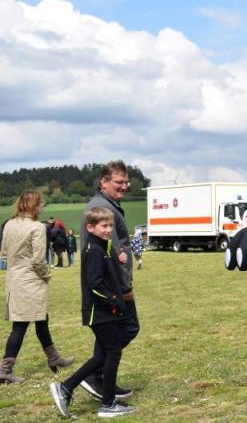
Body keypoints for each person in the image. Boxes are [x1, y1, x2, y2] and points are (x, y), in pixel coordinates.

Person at [50, 206, 135, 418]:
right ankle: (107, 405)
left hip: (106, 312)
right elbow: (95, 284)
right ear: (90, 227)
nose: (108, 230)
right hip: (101, 313)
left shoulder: (102, 246)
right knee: (112, 353)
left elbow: (107, 273)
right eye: (104, 226)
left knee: (101, 355)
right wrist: (114, 302)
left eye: (110, 226)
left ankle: (66, 387)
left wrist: (118, 259)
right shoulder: (94, 250)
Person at [77, 161, 138, 401]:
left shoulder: (106, 204)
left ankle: (101, 378)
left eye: (126, 182)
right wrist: (124, 289)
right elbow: (111, 253)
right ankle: (94, 375)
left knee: (112, 337)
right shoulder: (102, 209)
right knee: (128, 328)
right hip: (114, 288)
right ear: (103, 182)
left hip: (113, 285)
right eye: (118, 182)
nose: (124, 186)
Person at [0, 191, 74, 384]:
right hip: (31, 280)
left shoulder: (8, 224)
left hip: (14, 279)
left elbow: (4, 253)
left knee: (42, 319)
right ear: (34, 206)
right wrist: (47, 275)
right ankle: (5, 369)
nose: (43, 207)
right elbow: (39, 261)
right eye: (41, 204)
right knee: (21, 324)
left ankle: (53, 357)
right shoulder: (37, 227)